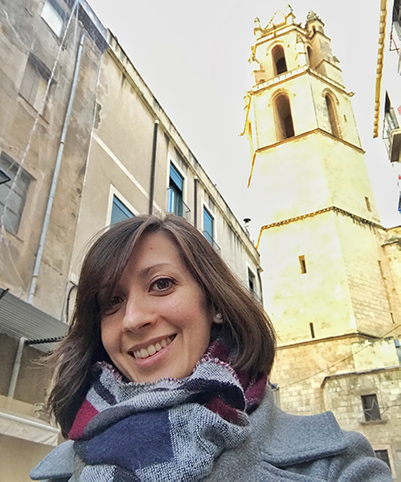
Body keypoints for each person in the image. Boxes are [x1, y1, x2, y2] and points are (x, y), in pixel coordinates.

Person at [31, 214, 392, 481]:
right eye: (112, 301)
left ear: (215, 304)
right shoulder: (59, 472)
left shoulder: (334, 466)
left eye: (161, 284)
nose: (132, 319)